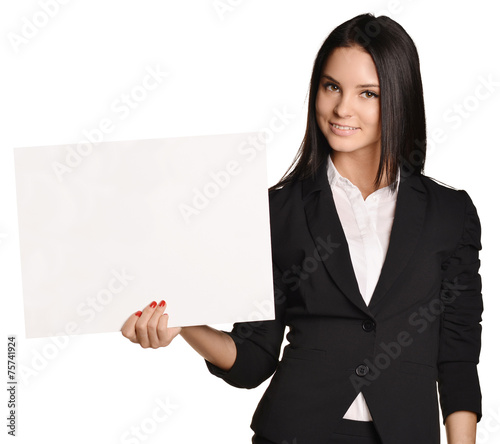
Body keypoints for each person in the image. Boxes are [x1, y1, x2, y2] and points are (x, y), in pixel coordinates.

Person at [121, 13, 483, 444]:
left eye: (367, 93)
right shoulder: (277, 210)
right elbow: (253, 358)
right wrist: (185, 323)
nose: (342, 108)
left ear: (400, 99)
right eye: (331, 86)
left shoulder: (450, 213)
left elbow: (457, 358)